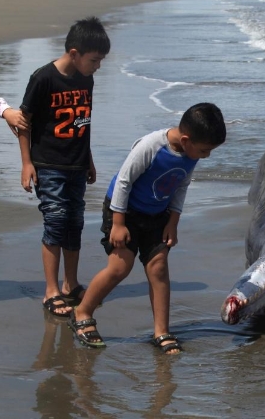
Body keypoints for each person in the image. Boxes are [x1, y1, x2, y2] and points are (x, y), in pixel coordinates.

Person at [68, 103, 226, 355]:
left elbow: (181, 186)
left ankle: (161, 330)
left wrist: (173, 222)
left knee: (159, 267)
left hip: (158, 215)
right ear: (186, 140)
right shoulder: (151, 146)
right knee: (120, 267)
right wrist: (118, 223)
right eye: (205, 150)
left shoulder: (190, 154)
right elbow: (123, 181)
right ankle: (82, 312)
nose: (206, 156)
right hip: (124, 211)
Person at [17, 17, 110, 317]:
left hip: (77, 164)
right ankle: (51, 290)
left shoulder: (87, 79)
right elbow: (23, 122)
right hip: (48, 164)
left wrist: (90, 159)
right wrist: (26, 163)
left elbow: (85, 121)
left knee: (75, 223)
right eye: (94, 60)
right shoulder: (43, 78)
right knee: (55, 222)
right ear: (74, 53)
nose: (98, 66)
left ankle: (71, 284)